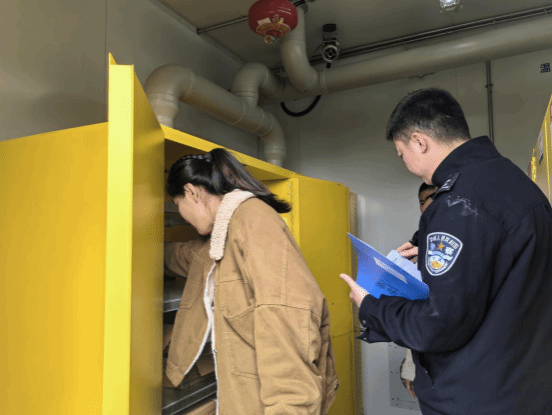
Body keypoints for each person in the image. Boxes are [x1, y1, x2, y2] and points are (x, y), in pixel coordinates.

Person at [340, 88, 552, 414]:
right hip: (523, 388)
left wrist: (371, 306)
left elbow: (439, 325)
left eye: (401, 154)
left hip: (476, 400)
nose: (405, 163)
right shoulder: (518, 185)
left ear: (419, 142)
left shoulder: (457, 203)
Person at [163, 148, 339, 414]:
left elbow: (286, 319)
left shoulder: (254, 221)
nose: (183, 217)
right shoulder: (225, 233)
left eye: (178, 205)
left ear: (191, 192)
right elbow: (190, 257)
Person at [397, 183, 437, 398]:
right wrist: (410, 369)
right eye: (422, 201)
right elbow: (414, 304)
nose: (427, 205)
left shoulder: (469, 232)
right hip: (425, 331)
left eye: (433, 197)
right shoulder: (419, 238)